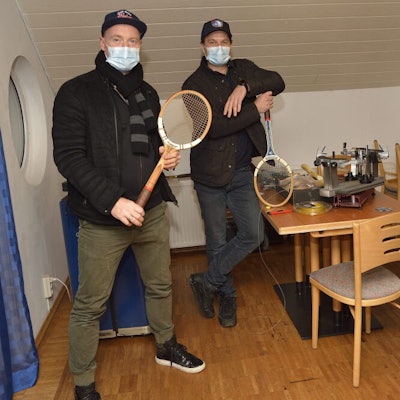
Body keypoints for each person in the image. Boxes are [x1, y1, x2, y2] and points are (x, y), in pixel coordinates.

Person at [52, 10, 205, 400]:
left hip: (151, 211)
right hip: (103, 219)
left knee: (160, 285)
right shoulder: (75, 92)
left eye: (133, 40)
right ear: (102, 43)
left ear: (140, 46)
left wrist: (166, 157)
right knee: (90, 304)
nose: (125, 46)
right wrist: (113, 202)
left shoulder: (147, 93)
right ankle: (84, 384)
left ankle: (166, 346)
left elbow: (153, 145)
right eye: (117, 39)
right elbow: (69, 157)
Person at [182, 19, 285, 328]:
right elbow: (214, 128)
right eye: (212, 43)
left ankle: (207, 281)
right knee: (216, 240)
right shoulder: (192, 85)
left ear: (231, 44)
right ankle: (227, 295)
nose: (219, 47)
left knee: (253, 234)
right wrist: (255, 108)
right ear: (202, 48)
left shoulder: (243, 68)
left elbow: (277, 80)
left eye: (224, 41)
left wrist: (245, 88)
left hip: (242, 173)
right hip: (209, 177)